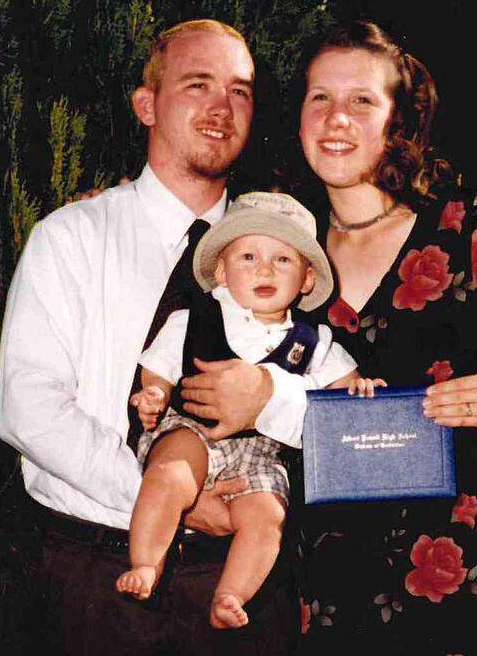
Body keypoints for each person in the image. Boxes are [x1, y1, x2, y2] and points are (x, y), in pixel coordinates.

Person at [186, 21, 477, 654]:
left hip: (467, 570)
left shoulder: (470, 226)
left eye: (362, 100)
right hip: (328, 580)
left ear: (397, 122)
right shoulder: (273, 258)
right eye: (319, 97)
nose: (336, 119)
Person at [0, 20, 308, 655]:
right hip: (100, 577)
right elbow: (25, 408)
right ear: (147, 105)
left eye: (240, 91)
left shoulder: (285, 256)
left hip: (245, 583)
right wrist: (168, 497)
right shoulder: (71, 238)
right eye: (198, 84)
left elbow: (329, 400)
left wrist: (274, 399)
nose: (222, 108)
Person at [116, 191, 384, 630]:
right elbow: (157, 367)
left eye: (283, 260)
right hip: (193, 428)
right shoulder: (194, 316)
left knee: (267, 517)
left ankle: (231, 595)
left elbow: (346, 390)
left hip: (262, 452)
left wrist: (363, 389)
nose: (264, 268)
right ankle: (147, 562)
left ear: (307, 280)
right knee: (169, 475)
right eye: (248, 256)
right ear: (220, 271)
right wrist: (153, 396)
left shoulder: (314, 340)